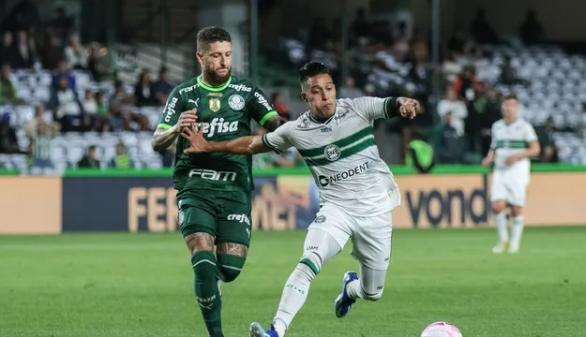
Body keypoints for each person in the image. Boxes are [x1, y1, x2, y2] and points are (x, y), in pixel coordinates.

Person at [181, 61, 419, 337]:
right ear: (305, 97)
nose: (325, 95)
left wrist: (406, 103)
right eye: (316, 91)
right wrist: (208, 146)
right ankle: (276, 331)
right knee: (309, 260)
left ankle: (350, 289)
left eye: (329, 88)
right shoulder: (295, 130)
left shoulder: (358, 108)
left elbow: (392, 103)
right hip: (337, 211)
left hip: (376, 211)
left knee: (373, 292)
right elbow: (252, 144)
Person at [150, 26, 284, 337]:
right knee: (201, 251)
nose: (223, 62)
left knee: (229, 271)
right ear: (200, 57)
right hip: (195, 187)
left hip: (235, 188)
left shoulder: (247, 92)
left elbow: (277, 128)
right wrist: (174, 130)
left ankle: (212, 287)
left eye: (227, 55)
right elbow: (157, 141)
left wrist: (279, 131)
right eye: (216, 56)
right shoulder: (183, 95)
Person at [482, 94, 540, 254]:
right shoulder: (497, 126)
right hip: (500, 169)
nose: (508, 108)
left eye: (512, 105)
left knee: (516, 208)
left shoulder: (524, 127)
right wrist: (489, 158)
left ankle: (514, 243)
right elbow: (494, 147)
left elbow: (535, 149)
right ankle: (503, 240)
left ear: (517, 108)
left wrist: (518, 155)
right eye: (506, 105)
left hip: (518, 170)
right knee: (497, 206)